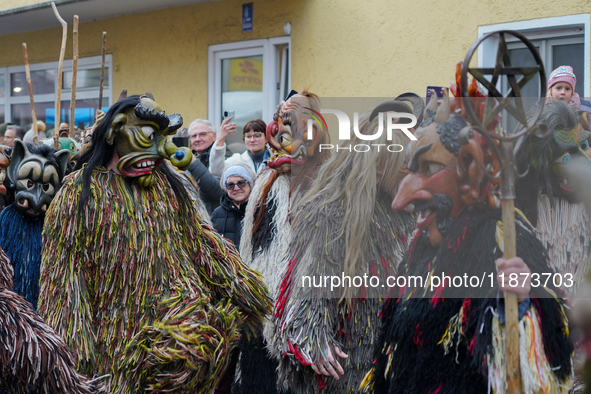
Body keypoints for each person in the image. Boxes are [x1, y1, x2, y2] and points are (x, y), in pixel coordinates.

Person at [38, 92, 271, 393]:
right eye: (149, 136)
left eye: (165, 139)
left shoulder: (169, 189)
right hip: (116, 354)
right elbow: (64, 288)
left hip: (179, 349)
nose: (163, 151)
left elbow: (203, 245)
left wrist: (253, 295)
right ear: (115, 132)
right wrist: (75, 368)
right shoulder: (77, 195)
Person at [363, 90, 573, 393]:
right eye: (410, 171)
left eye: (428, 169)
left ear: (471, 170)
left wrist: (524, 305)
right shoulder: (420, 248)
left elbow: (546, 366)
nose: (400, 201)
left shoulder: (503, 241)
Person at [272, 99, 420, 394]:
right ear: (378, 165)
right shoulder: (330, 211)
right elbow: (306, 293)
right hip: (345, 367)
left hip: (392, 360)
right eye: (405, 167)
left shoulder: (405, 210)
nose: (413, 176)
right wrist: (316, 339)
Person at [187, 118, 231, 214]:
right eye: (194, 136)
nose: (198, 139)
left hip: (216, 221)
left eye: (203, 134)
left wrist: (194, 164)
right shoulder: (187, 160)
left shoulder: (224, 156)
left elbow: (217, 193)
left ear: (214, 136)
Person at [211, 164, 254, 249]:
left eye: (241, 183)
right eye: (230, 185)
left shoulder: (261, 210)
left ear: (249, 184)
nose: (236, 188)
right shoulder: (217, 214)